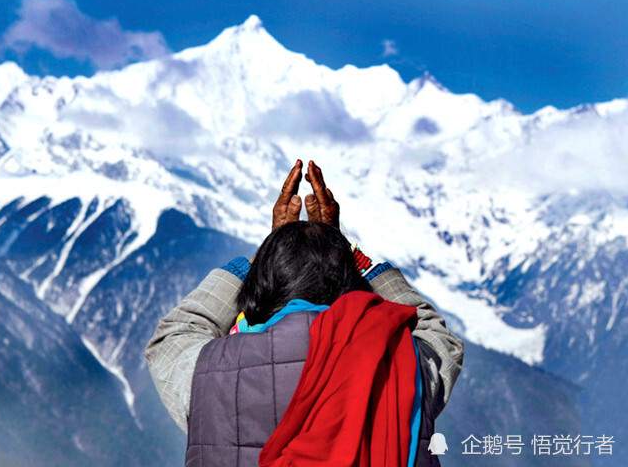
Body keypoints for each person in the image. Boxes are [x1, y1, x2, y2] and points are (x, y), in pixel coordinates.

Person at [145, 160, 464, 466]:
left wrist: (264, 257)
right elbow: (435, 335)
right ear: (351, 289)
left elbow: (176, 334)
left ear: (264, 287)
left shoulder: (211, 374)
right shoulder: (400, 364)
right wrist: (354, 258)